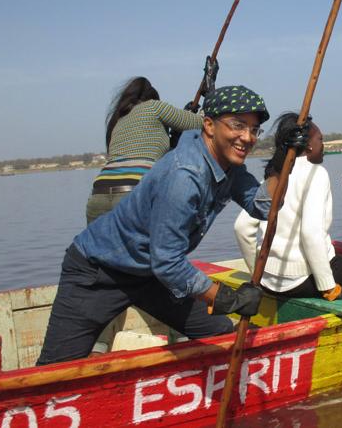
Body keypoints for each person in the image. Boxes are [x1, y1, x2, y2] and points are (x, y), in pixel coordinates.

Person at [37, 85, 308, 365]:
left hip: (150, 274)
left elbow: (263, 206)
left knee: (219, 334)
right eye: (238, 125)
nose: (247, 137)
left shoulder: (230, 166)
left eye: (254, 129)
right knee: (53, 369)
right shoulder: (185, 175)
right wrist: (228, 299)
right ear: (209, 126)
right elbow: (168, 262)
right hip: (99, 273)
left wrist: (281, 160)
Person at [235, 113, 342, 303]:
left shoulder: (273, 178)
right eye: (320, 140)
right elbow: (310, 234)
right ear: (308, 145)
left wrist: (256, 274)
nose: (323, 145)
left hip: (268, 280)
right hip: (300, 280)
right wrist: (328, 286)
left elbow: (241, 227)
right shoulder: (315, 173)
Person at [86, 76, 204, 225]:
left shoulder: (118, 120)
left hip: (98, 195)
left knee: (98, 246)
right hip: (134, 191)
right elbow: (200, 123)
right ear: (152, 98)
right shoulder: (154, 106)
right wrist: (203, 111)